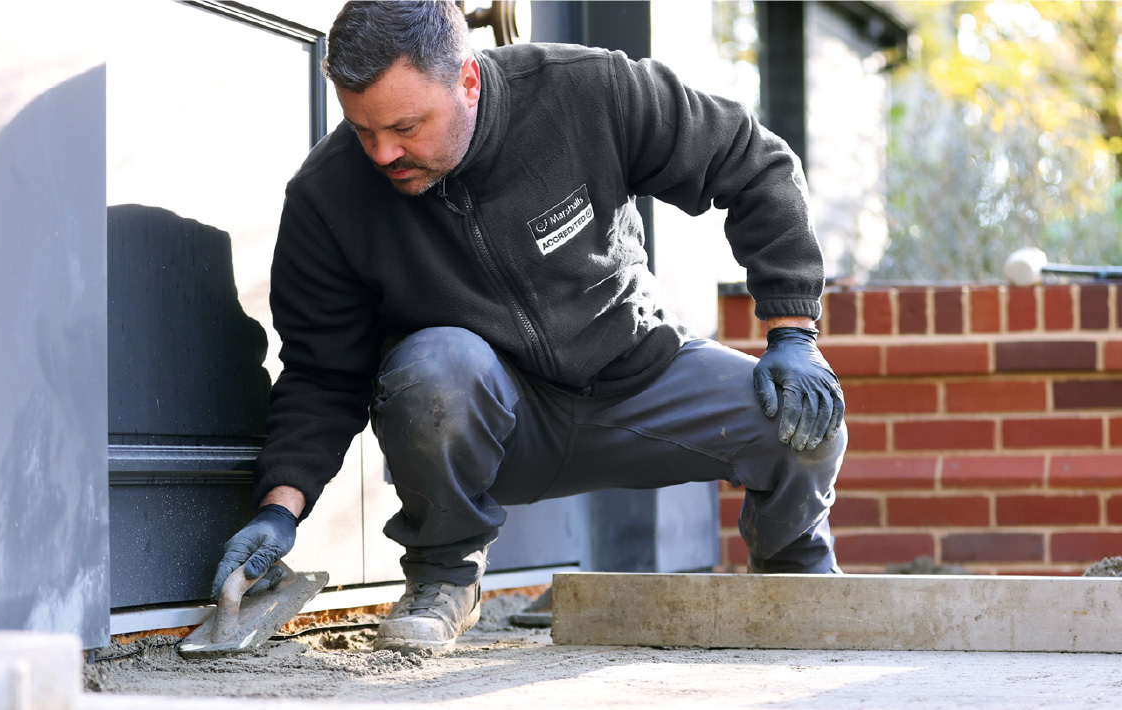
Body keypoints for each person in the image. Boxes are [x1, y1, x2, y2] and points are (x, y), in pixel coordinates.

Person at [211, 1, 846, 654]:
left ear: (468, 79)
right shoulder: (328, 198)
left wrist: (793, 334)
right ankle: (444, 579)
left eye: (405, 126)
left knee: (804, 416)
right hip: (496, 420)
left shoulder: (587, 91)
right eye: (363, 130)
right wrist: (279, 509)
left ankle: (793, 572)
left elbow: (755, 163)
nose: (384, 153)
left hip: (640, 385)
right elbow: (322, 374)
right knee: (432, 365)